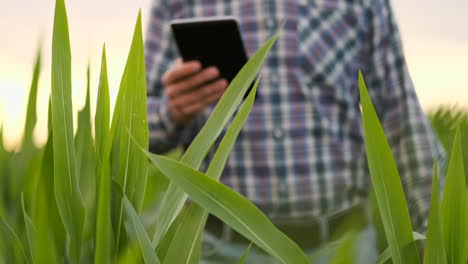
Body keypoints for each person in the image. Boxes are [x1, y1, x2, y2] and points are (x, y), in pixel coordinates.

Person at [145, 0, 445, 262]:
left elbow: (401, 120)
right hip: (216, 250)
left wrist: (438, 233)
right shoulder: (177, 2)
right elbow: (139, 131)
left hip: (342, 249)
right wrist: (172, 112)